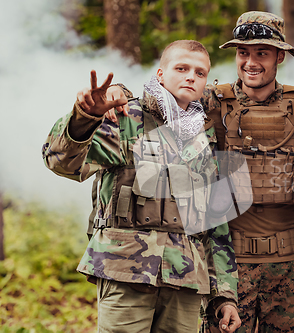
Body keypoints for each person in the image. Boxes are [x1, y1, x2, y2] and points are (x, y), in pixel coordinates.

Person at [105, 12, 294, 332]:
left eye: (262, 52)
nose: (251, 61)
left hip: (291, 263)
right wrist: (119, 92)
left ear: (279, 56)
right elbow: (160, 97)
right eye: (243, 52)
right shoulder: (211, 101)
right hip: (229, 266)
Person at [42, 40, 241, 333]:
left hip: (185, 279)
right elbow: (60, 161)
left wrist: (224, 294)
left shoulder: (203, 138)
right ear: (160, 74)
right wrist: (84, 118)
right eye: (182, 68)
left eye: (200, 73)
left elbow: (215, 224)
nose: (191, 77)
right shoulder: (125, 118)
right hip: (126, 270)